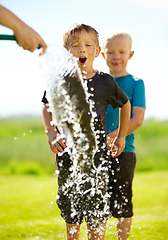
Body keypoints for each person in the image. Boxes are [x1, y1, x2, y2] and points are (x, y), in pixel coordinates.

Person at [42, 24, 131, 240]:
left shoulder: (105, 82)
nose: (82, 49)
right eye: (76, 45)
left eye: (88, 45)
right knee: (70, 210)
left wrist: (121, 136)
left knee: (96, 213)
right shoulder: (61, 80)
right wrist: (51, 133)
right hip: (67, 157)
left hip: (97, 158)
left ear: (97, 51)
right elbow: (46, 106)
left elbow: (125, 104)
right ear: (66, 53)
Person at [101, 32, 146, 240]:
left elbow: (137, 118)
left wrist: (115, 135)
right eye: (110, 52)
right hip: (98, 153)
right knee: (97, 202)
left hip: (124, 152)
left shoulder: (136, 83)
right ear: (102, 54)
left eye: (121, 51)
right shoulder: (99, 82)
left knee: (122, 202)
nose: (115, 56)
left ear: (131, 54)